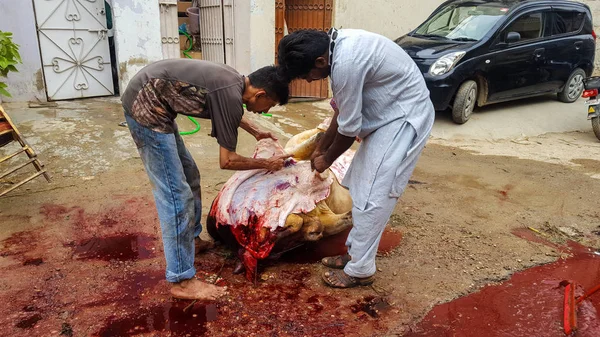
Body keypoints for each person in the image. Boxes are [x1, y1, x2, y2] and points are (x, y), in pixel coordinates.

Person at [277, 28, 435, 288]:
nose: (307, 80)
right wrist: (320, 148)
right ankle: (355, 254)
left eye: (307, 75)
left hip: (402, 120)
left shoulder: (346, 63)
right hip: (386, 119)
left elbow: (349, 129)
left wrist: (326, 160)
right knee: (359, 189)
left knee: (373, 196)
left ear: (320, 61)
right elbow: (340, 113)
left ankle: (361, 269)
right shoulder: (337, 49)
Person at [122, 59, 291, 299]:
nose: (265, 111)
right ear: (260, 93)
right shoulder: (231, 95)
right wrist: (267, 164)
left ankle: (192, 239)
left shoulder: (235, 83)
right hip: (146, 110)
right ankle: (181, 280)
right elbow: (227, 161)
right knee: (175, 195)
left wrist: (256, 131)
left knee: (190, 175)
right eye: (269, 105)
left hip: (157, 102)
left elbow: (226, 108)